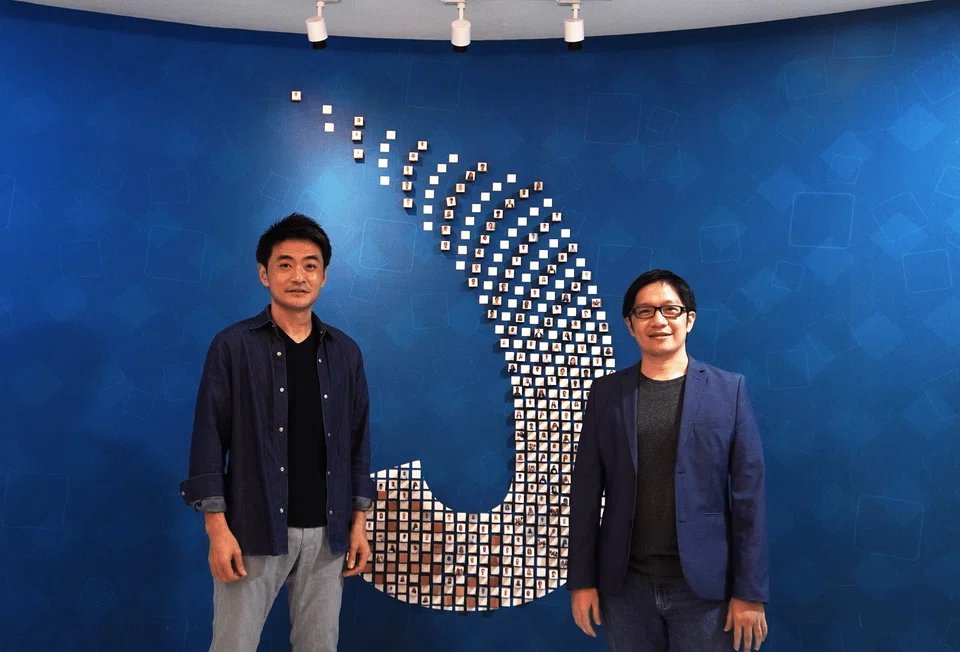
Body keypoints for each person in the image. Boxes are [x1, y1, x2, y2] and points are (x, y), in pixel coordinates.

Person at [179, 213, 375, 652]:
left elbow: (358, 444)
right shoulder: (232, 346)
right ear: (264, 274)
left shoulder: (345, 352)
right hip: (252, 528)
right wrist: (217, 530)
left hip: (328, 534)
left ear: (323, 276)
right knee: (232, 646)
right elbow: (208, 439)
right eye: (285, 264)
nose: (298, 276)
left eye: (310, 265)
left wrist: (359, 524)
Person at [568, 269, 769, 652]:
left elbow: (749, 500)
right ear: (630, 325)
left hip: (706, 589)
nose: (658, 320)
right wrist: (582, 580)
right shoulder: (606, 393)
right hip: (624, 588)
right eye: (644, 311)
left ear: (689, 319)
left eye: (670, 309)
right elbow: (586, 493)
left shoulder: (729, 391)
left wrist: (749, 591)